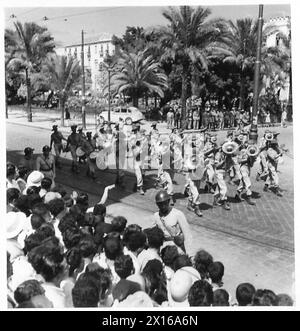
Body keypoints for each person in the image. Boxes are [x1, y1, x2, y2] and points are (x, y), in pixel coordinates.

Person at [153, 190, 194, 257]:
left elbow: (187, 235)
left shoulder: (178, 214)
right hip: (163, 250)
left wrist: (189, 254)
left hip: (177, 249)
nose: (163, 206)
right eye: (160, 204)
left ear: (168, 201)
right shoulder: (156, 216)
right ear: (157, 204)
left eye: (165, 203)